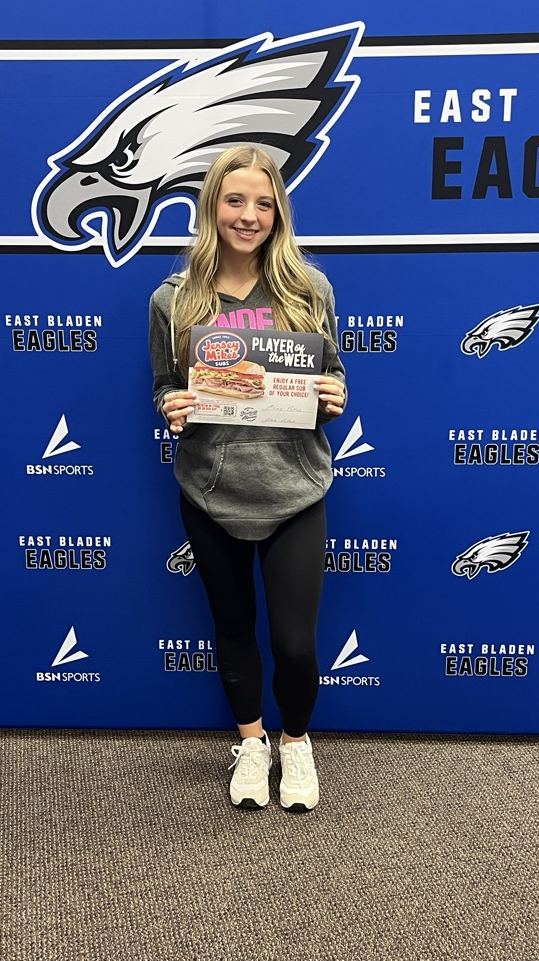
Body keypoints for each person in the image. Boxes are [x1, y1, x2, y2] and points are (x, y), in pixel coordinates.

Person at [149, 144, 346, 812]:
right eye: (235, 200)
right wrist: (172, 404)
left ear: (278, 213)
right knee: (232, 626)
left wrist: (334, 394)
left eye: (264, 203)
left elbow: (333, 373)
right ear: (212, 206)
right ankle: (252, 743)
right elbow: (164, 385)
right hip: (211, 491)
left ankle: (296, 743)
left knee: (294, 644)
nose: (249, 215)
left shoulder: (308, 289)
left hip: (295, 490)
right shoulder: (173, 299)